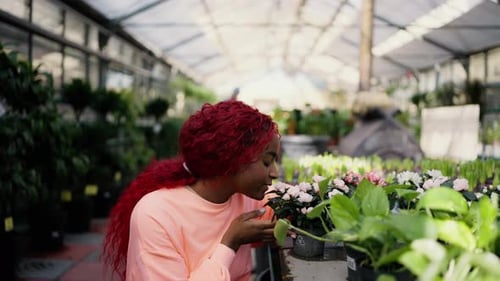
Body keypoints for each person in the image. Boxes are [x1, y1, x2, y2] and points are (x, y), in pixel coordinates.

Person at [103, 100, 280, 281]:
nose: (275, 172)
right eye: (267, 161)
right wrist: (230, 243)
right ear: (233, 158)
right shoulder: (156, 214)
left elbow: (288, 202)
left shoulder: (242, 196)